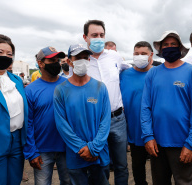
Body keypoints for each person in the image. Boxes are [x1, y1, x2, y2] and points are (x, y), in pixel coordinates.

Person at [141, 30, 192, 185]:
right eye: (166, 45)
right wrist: (148, 136)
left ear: (180, 48)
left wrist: (191, 144)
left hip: (183, 144)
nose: (169, 47)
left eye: (173, 44)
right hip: (157, 145)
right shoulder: (152, 74)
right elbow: (145, 107)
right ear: (160, 49)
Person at [54, 44, 111, 185]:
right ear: (69, 61)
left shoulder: (100, 87)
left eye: (85, 57)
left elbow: (105, 121)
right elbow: (62, 125)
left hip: (99, 153)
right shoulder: (61, 90)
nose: (82, 61)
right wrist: (81, 148)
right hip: (76, 154)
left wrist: (94, 148)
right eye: (78, 58)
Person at [83, 19, 129, 185]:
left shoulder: (115, 57)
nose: (99, 38)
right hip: (94, 121)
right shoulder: (81, 62)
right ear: (85, 37)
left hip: (117, 119)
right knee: (100, 166)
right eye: (94, 35)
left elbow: (130, 71)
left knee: (121, 165)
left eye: (102, 35)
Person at [23, 46, 71, 185]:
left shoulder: (68, 85)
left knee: (68, 182)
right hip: (42, 150)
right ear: (40, 63)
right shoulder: (31, 90)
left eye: (58, 60)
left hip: (66, 147)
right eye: (52, 60)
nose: (56, 63)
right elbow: (28, 123)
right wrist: (32, 152)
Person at [120, 41, 158, 185]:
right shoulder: (124, 75)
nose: (139, 56)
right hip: (134, 132)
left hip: (156, 132)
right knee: (137, 167)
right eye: (136, 54)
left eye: (143, 54)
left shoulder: (157, 73)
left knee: (159, 168)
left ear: (151, 55)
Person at [0, 34, 28, 185]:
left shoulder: (16, 80)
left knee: (14, 181)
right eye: (0, 52)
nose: (5, 56)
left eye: (9, 54)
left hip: (17, 141)